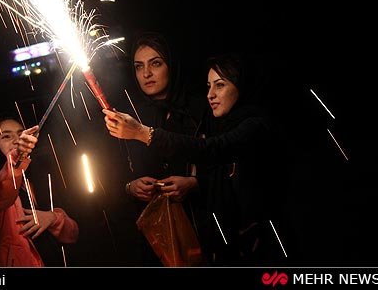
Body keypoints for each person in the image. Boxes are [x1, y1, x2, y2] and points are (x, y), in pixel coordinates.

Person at [104, 53, 289, 266]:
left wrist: (143, 133)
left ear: (240, 86)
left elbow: (213, 150)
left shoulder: (256, 126)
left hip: (263, 249)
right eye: (208, 86)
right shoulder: (222, 123)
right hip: (222, 245)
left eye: (219, 85)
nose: (210, 94)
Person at [114, 31, 206, 265]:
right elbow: (110, 172)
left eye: (155, 63)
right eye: (138, 66)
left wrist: (194, 183)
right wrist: (130, 186)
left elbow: (222, 163)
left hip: (201, 226)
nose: (146, 74)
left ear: (171, 65)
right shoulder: (129, 115)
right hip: (150, 237)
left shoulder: (201, 108)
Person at [0, 114, 79, 267]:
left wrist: (52, 218)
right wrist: (16, 156)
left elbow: (73, 233)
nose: (17, 140)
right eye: (6, 136)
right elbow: (1, 193)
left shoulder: (33, 180)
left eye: (21, 134)